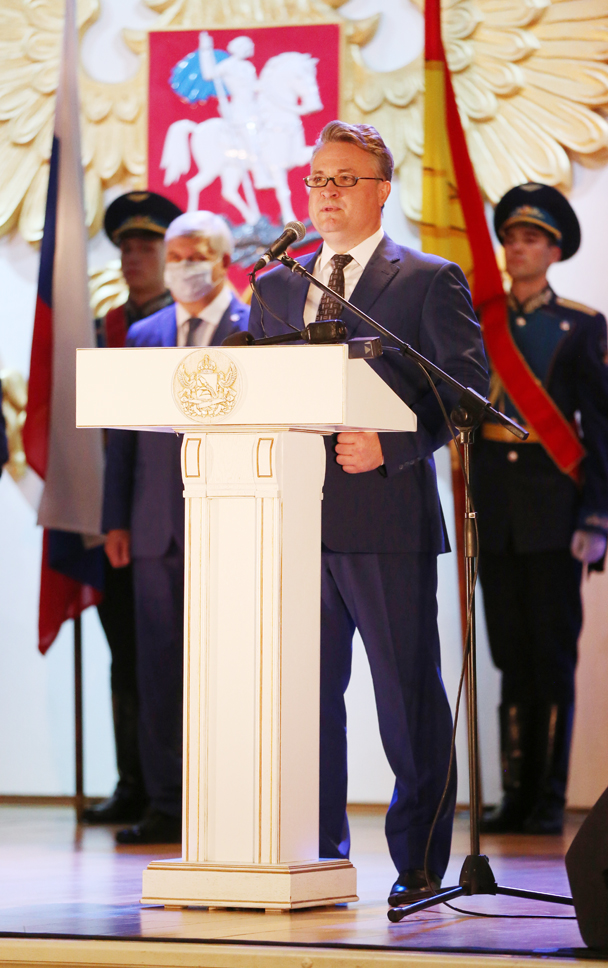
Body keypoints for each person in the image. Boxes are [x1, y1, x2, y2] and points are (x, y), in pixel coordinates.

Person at [248, 121, 488, 905]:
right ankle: (317, 855)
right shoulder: (275, 285)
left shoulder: (427, 278)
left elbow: (464, 392)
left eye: (345, 179)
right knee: (306, 703)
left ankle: (418, 864)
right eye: (318, 179)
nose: (327, 193)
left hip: (386, 520)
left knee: (405, 698)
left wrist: (393, 444)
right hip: (292, 520)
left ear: (382, 188)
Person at [103, 210, 250, 845]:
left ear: (223, 261)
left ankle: (233, 802)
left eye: (197, 256)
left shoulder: (257, 328)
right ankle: (167, 803)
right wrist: (115, 520)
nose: (184, 268)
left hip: (235, 526)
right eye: (176, 257)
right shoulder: (145, 334)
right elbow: (124, 439)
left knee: (232, 671)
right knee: (158, 671)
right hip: (155, 529)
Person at [475, 184, 608, 836]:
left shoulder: (581, 325)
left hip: (555, 509)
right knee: (509, 654)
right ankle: (515, 795)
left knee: (551, 655)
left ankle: (548, 799)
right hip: (494, 510)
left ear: (554, 251)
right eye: (510, 237)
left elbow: (601, 429)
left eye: (531, 239)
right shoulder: (479, 320)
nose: (517, 248)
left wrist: (597, 517)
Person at [83, 191, 182, 826]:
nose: (134, 257)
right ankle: (135, 784)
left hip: (180, 519)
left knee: (177, 660)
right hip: (122, 520)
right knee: (127, 654)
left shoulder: (189, 325)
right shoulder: (104, 332)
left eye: (148, 246)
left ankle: (180, 787)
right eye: (127, 247)